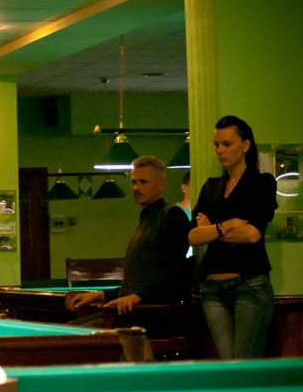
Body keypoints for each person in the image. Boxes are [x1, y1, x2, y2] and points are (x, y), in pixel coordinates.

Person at [189, 115, 277, 359]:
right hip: (211, 287)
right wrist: (226, 226)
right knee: (228, 365)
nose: (220, 150)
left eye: (227, 144)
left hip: (249, 283)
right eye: (216, 144)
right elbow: (194, 237)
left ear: (245, 145)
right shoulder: (211, 187)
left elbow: (251, 234)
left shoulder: (261, 183)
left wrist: (211, 230)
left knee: (244, 364)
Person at [68, 155, 190, 317]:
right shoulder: (147, 219)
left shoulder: (171, 216)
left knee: (78, 332)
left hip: (150, 315)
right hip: (133, 310)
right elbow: (136, 286)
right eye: (133, 182)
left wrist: (137, 297)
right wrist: (102, 295)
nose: (136, 187)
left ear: (161, 184)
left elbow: (172, 273)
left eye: (143, 182)